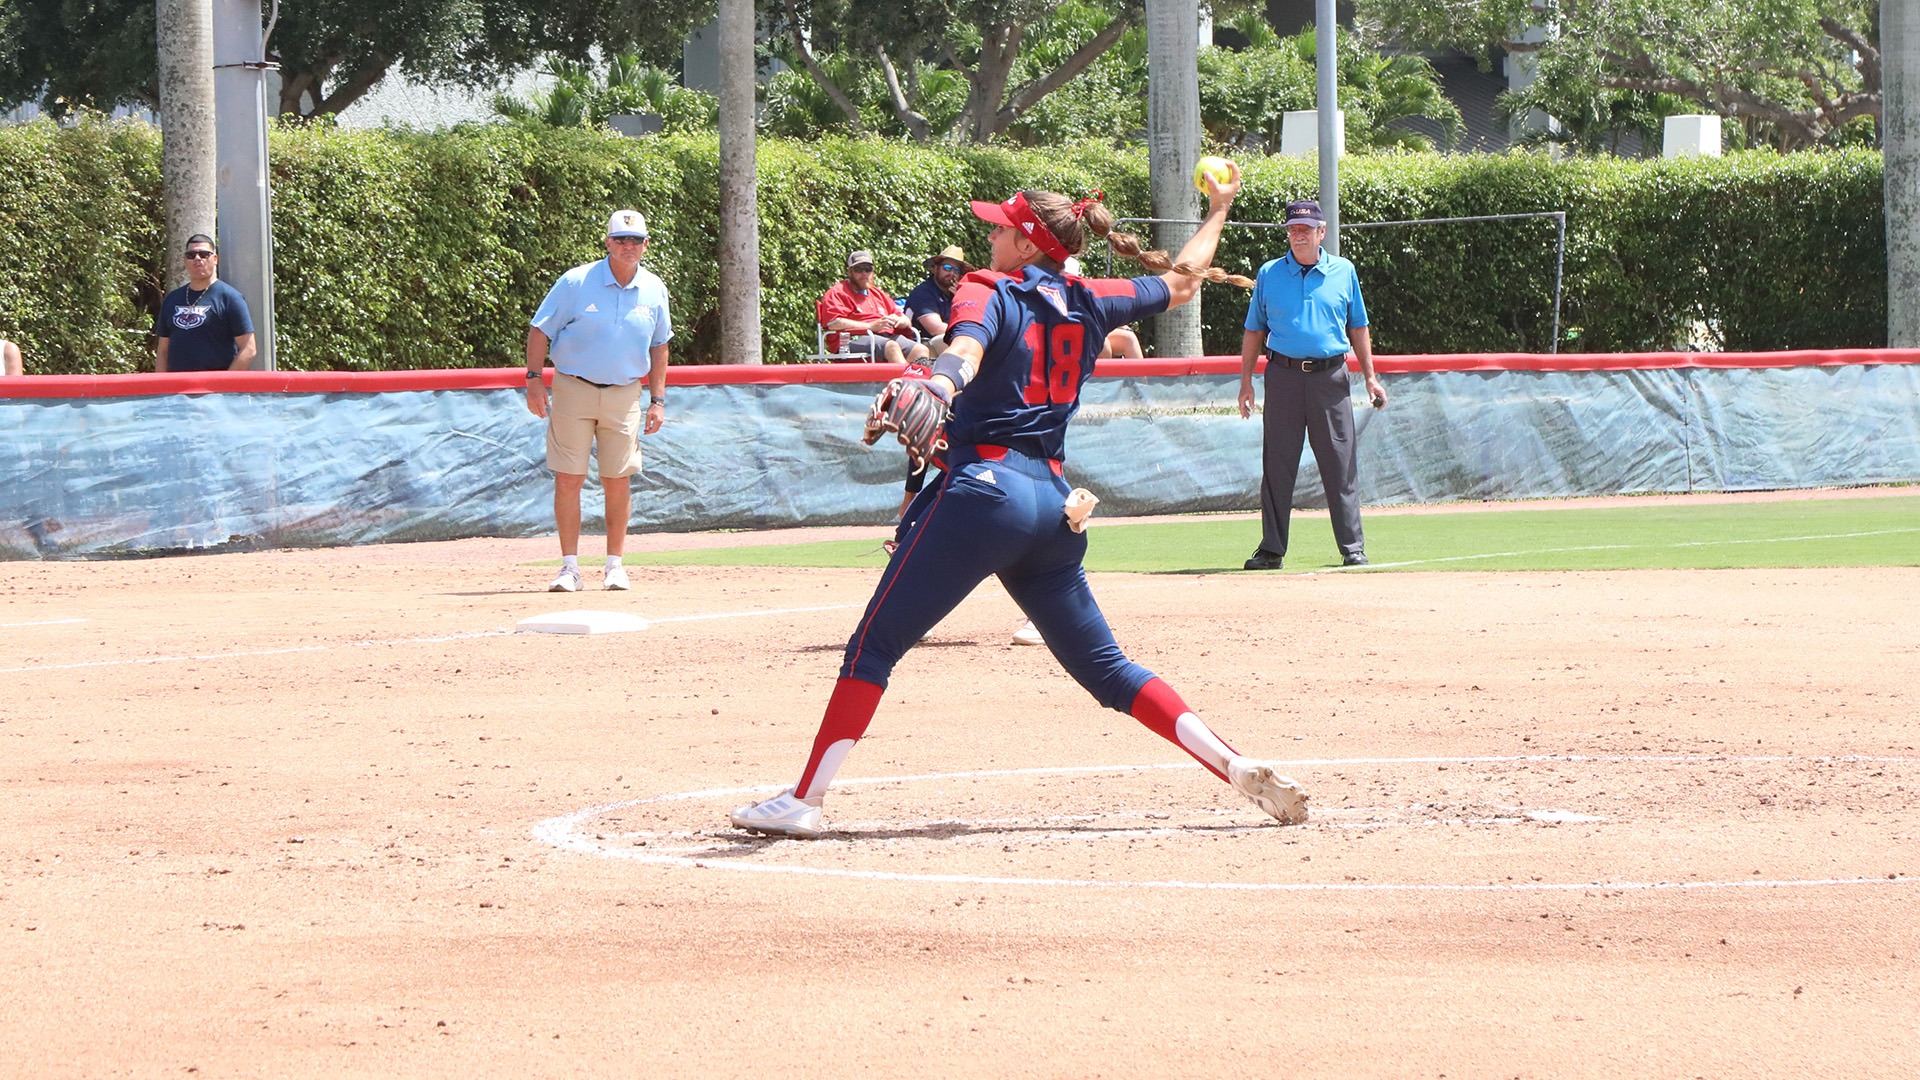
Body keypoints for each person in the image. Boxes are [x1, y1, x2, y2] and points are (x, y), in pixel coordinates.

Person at [730, 167, 1312, 839]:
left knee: (873, 646)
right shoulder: (1092, 298)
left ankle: (805, 798)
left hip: (984, 493)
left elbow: (967, 347)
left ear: (1030, 245)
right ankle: (1231, 763)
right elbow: (1184, 282)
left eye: (1003, 227)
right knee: (1109, 670)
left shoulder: (988, 286)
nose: (992, 233)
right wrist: (1220, 208)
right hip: (1054, 509)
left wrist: (942, 381)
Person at [525, 209, 672, 593]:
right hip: (574, 387)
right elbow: (539, 330)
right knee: (569, 478)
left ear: (645, 245)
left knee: (617, 479)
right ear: (607, 243)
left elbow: (660, 345)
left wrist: (658, 400)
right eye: (621, 240)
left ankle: (614, 565)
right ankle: (569, 567)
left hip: (625, 393)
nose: (629, 246)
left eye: (636, 240)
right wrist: (534, 380)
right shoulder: (576, 281)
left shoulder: (654, 288)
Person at [1237, 199, 1386, 571]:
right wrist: (1246, 382)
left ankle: (1352, 547)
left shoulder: (1343, 271)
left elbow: (1358, 326)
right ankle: (1272, 549)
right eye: (1292, 229)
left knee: (1340, 462)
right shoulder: (1270, 273)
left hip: (1330, 378)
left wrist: (1370, 376)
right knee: (1277, 463)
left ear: (1322, 232)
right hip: (1283, 376)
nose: (1298, 235)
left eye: (1306, 229)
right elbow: (1254, 329)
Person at [154, 235, 257, 372]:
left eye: (204, 254)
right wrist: (162, 386)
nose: (197, 259)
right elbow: (163, 351)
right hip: (177, 389)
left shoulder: (230, 298)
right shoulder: (172, 299)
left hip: (214, 390)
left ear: (215, 259)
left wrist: (223, 385)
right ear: (185, 260)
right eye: (191, 255)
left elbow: (249, 349)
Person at [817, 250, 932, 365]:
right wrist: (870, 326)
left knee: (920, 349)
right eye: (858, 269)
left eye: (868, 269)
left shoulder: (877, 293)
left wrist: (900, 321)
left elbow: (904, 318)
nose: (864, 274)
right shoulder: (838, 292)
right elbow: (834, 323)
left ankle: (917, 381)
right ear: (850, 272)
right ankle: (903, 381)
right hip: (852, 338)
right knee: (891, 347)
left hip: (885, 335)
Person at [1062, 257, 1143, 358]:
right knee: (1103, 344)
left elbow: (1099, 312)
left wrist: (1116, 324)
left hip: (1086, 330)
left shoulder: (1082, 292)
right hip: (1064, 333)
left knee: (1128, 338)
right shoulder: (1052, 291)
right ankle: (1103, 373)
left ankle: (1138, 374)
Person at [903, 245, 973, 354]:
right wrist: (967, 334)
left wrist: (960, 298)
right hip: (921, 345)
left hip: (948, 340)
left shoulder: (956, 294)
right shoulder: (923, 292)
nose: (952, 273)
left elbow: (969, 320)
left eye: (956, 270)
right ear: (936, 269)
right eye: (947, 268)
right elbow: (935, 329)